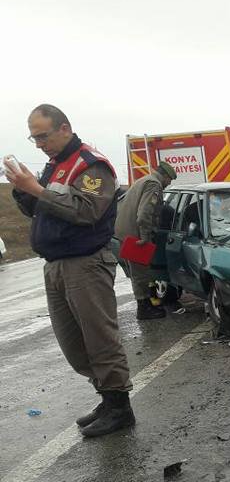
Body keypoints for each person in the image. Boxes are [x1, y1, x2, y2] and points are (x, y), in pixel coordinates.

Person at [7, 104, 135, 438]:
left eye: (43, 136)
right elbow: (43, 209)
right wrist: (24, 190)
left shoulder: (90, 165)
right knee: (73, 342)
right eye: (33, 138)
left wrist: (37, 189)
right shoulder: (55, 166)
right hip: (56, 264)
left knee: (99, 338)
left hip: (86, 263)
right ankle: (107, 398)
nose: (39, 144)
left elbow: (87, 210)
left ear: (65, 128)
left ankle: (120, 407)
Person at [115, 161, 177, 319]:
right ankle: (144, 309)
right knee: (140, 273)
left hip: (125, 232)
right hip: (136, 235)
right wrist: (144, 237)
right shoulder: (153, 184)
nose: (169, 184)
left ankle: (146, 305)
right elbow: (144, 214)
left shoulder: (142, 180)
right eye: (170, 180)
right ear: (164, 176)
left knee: (138, 272)